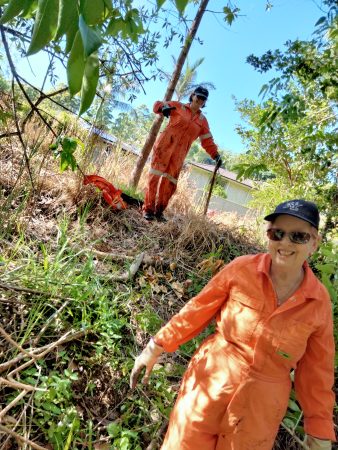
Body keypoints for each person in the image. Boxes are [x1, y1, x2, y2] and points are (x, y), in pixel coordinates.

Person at [130, 199, 336, 450]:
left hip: (258, 412)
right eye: (277, 233)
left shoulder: (318, 302)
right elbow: (196, 310)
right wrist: (156, 345)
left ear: (314, 242)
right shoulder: (241, 269)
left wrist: (319, 429)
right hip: (208, 384)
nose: (285, 243)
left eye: (298, 236)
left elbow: (317, 371)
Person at [142, 86, 222, 222]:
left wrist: (215, 155)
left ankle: (159, 211)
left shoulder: (202, 121)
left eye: (203, 99)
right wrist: (163, 108)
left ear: (204, 102)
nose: (200, 100)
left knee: (170, 182)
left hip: (180, 153)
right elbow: (157, 105)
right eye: (198, 96)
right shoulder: (178, 106)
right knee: (154, 176)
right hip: (164, 145)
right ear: (192, 95)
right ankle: (148, 209)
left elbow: (207, 140)